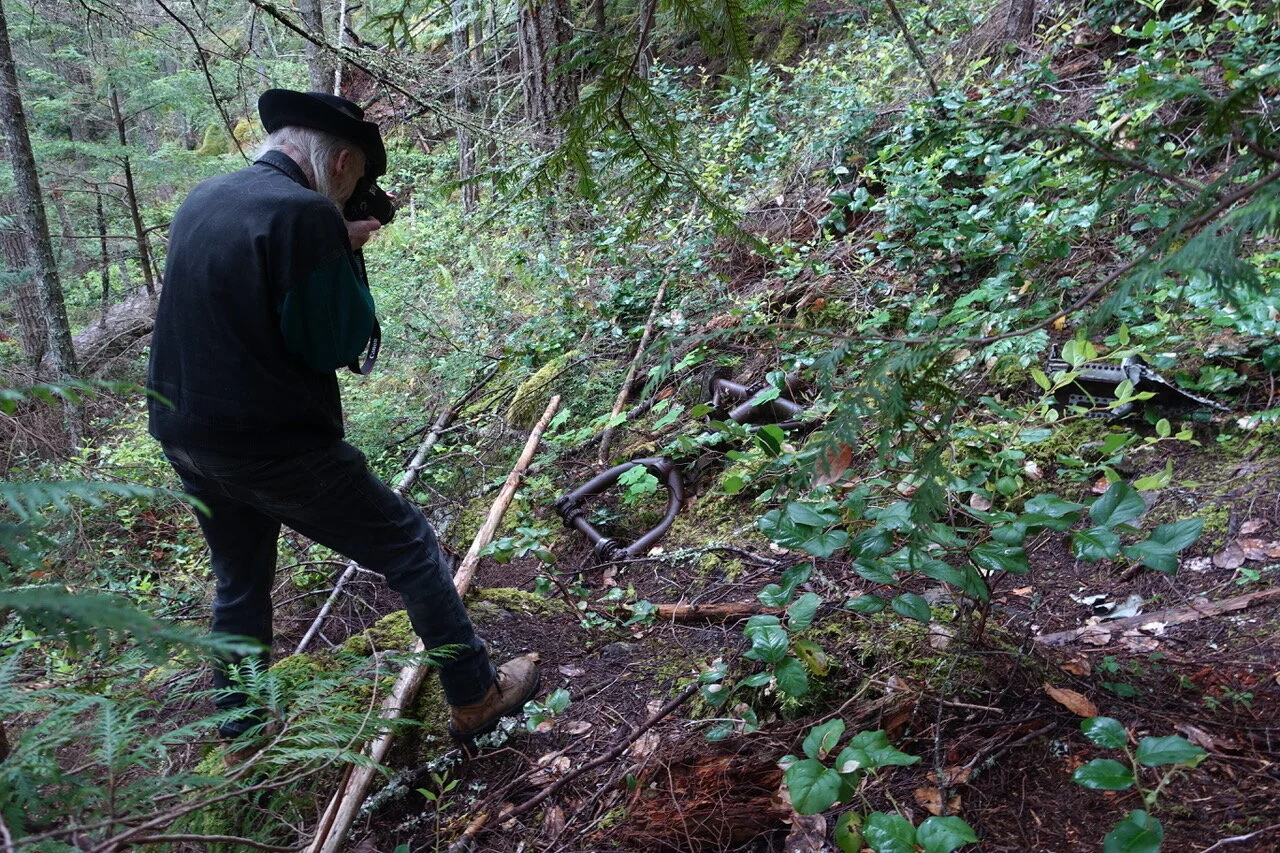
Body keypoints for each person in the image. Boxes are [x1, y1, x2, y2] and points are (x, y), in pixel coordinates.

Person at [147, 88, 538, 742]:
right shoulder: (304, 214)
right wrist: (342, 249)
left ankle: (242, 730)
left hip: (185, 432)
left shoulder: (205, 196)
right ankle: (475, 693)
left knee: (240, 580)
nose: (356, 192)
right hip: (271, 442)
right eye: (358, 179)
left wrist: (332, 244)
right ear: (340, 162)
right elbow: (332, 345)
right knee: (410, 545)